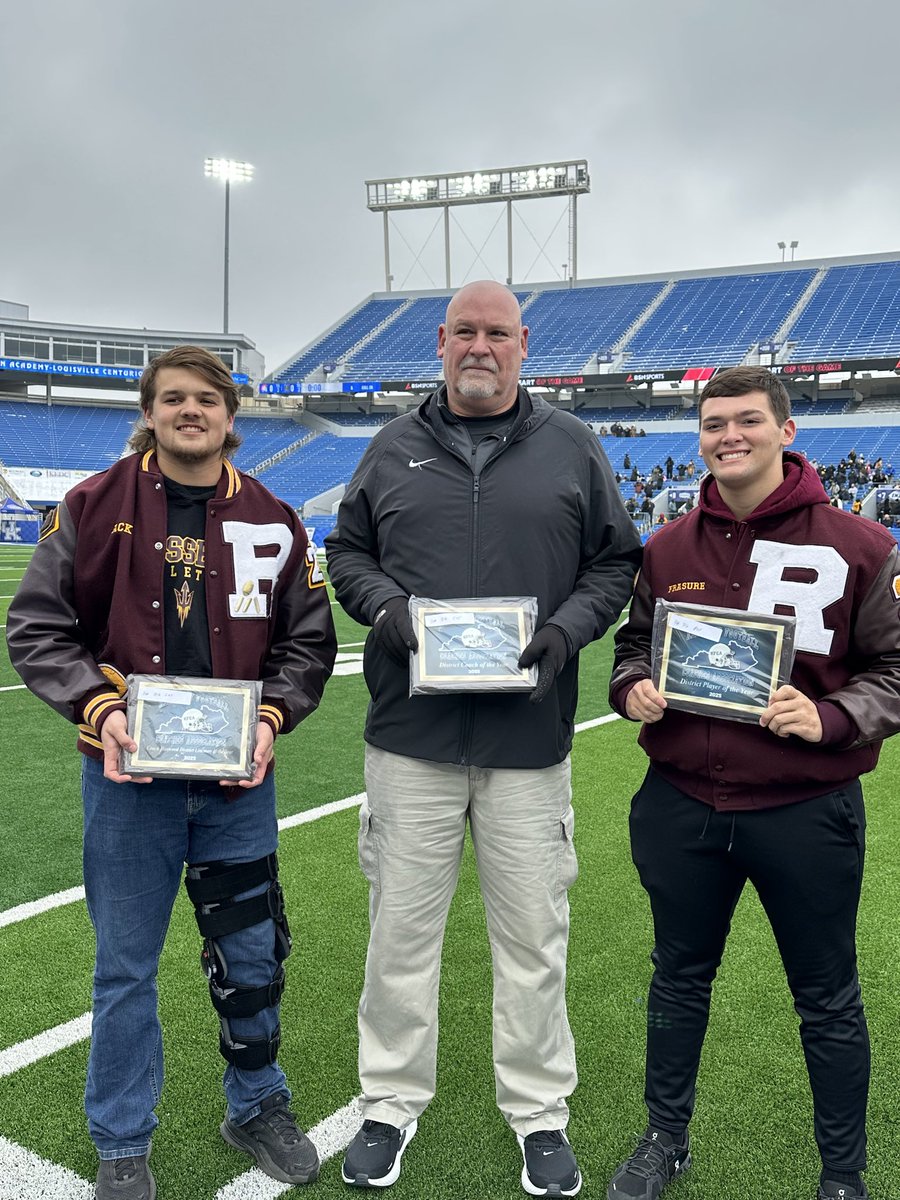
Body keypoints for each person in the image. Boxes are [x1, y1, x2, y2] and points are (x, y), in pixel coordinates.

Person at [325, 281, 642, 1196]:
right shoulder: (390, 447)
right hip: (411, 740)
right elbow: (346, 555)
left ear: (521, 345)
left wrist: (565, 630)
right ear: (440, 341)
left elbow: (614, 562)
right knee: (399, 937)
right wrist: (386, 610)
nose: (479, 345)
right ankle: (388, 1103)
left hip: (527, 744)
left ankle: (540, 1113)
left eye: (495, 332)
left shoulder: (573, 446)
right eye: (464, 330)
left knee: (535, 940)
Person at [6, 346, 337, 1199]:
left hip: (237, 784)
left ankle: (257, 1103)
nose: (192, 412)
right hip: (127, 784)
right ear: (149, 413)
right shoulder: (89, 506)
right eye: (174, 400)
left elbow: (309, 642)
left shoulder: (277, 518)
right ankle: (123, 1140)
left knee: (253, 951)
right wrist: (101, 710)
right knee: (125, 966)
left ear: (231, 416)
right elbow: (39, 628)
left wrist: (271, 717)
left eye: (208, 400)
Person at [606, 366, 900, 1200]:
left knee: (827, 996)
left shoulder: (861, 546)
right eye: (712, 424)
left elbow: (897, 669)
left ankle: (842, 1173)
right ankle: (666, 1137)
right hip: (684, 802)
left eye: (745, 421)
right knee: (677, 975)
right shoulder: (665, 548)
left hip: (803, 805)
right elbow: (632, 648)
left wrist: (833, 716)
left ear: (785, 430)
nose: (727, 436)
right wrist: (632, 688)